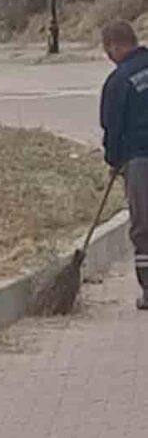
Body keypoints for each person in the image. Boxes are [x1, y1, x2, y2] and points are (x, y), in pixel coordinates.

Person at [100, 20, 148, 309]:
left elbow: (112, 128)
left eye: (108, 49)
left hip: (140, 159)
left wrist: (113, 161)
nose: (108, 55)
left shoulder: (118, 82)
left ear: (116, 46)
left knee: (144, 227)